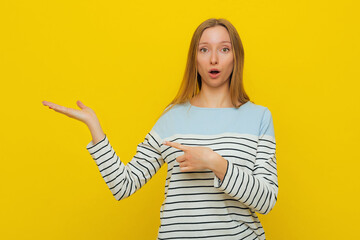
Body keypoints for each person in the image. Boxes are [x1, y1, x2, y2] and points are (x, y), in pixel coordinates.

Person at [42, 18, 278, 240]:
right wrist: (95, 128)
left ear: (236, 57)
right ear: (194, 58)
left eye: (224, 49)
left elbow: (266, 200)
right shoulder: (172, 117)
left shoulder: (258, 117)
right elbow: (124, 185)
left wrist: (215, 163)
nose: (213, 59)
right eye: (204, 49)